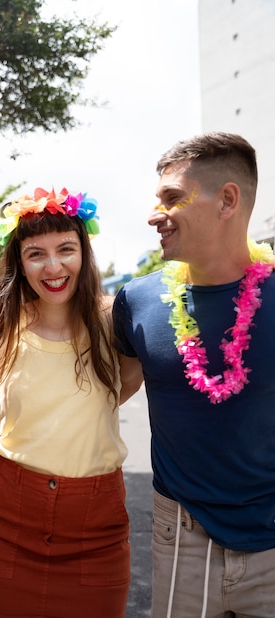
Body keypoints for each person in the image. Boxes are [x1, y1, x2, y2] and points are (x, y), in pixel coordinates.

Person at [113, 132, 275, 618]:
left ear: (228, 200)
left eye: (171, 197)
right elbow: (110, 391)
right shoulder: (136, 301)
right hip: (180, 534)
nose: (152, 214)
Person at [0, 187, 136, 618]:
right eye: (35, 253)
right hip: (9, 520)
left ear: (85, 253)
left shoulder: (115, 319)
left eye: (66, 249)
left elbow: (126, 384)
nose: (53, 266)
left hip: (97, 528)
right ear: (19, 264)